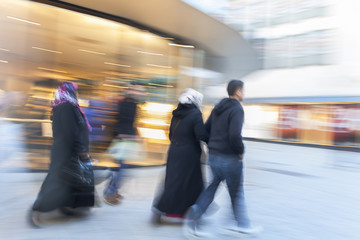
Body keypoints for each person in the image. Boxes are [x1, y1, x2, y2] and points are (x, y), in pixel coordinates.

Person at [183, 80, 262, 238]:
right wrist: (240, 151)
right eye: (243, 90)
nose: (244, 93)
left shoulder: (217, 107)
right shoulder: (237, 109)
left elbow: (205, 130)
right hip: (230, 158)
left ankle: (195, 215)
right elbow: (234, 135)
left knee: (212, 187)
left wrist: (213, 146)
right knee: (237, 192)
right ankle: (241, 225)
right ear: (238, 91)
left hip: (214, 156)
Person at [29, 82, 95, 227]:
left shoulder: (62, 106)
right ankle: (36, 211)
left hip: (64, 150)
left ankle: (64, 206)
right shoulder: (67, 107)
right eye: (74, 91)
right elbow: (72, 132)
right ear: (70, 92)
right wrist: (81, 150)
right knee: (55, 182)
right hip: (66, 152)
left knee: (69, 181)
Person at [151, 88, 209, 223]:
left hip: (174, 151)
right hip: (189, 155)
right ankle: (189, 211)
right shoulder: (196, 114)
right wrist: (213, 140)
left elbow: (170, 134)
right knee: (191, 183)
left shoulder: (176, 114)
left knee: (173, 182)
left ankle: (162, 209)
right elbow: (201, 135)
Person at [103, 84, 145, 205]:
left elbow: (131, 123)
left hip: (127, 139)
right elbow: (122, 121)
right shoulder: (126, 103)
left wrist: (136, 134)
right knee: (122, 168)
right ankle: (109, 192)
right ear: (130, 92)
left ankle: (113, 190)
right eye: (138, 91)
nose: (140, 93)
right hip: (123, 139)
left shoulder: (132, 104)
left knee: (123, 168)